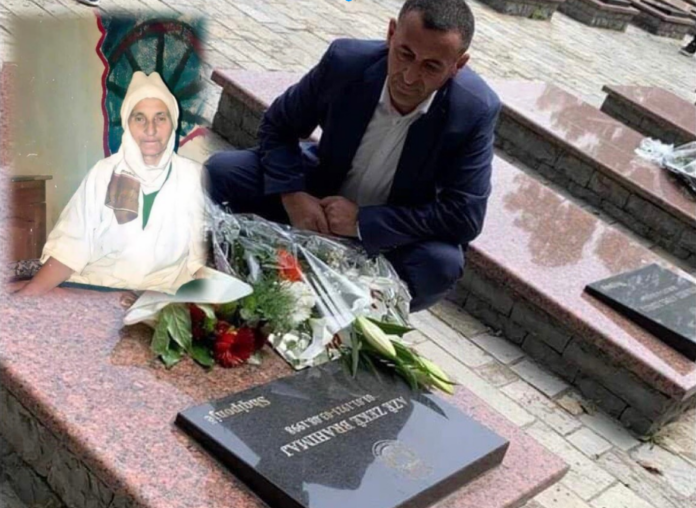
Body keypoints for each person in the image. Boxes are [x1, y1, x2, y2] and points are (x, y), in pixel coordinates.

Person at [205, 0, 500, 312]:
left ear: (458, 65)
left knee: (441, 264)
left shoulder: (473, 110)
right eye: (405, 54)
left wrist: (362, 221)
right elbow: (278, 125)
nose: (410, 77)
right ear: (391, 33)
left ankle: (357, 315)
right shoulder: (346, 62)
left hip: (388, 236)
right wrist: (293, 195)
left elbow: (465, 216)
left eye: (431, 67)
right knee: (222, 170)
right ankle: (239, 265)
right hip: (317, 201)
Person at [17, 71, 206, 296]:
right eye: (139, 118)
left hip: (159, 296)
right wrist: (28, 295)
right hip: (97, 287)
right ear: (127, 124)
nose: (151, 129)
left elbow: (203, 263)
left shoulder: (193, 178)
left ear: (172, 123)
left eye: (160, 118)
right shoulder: (104, 173)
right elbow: (70, 248)